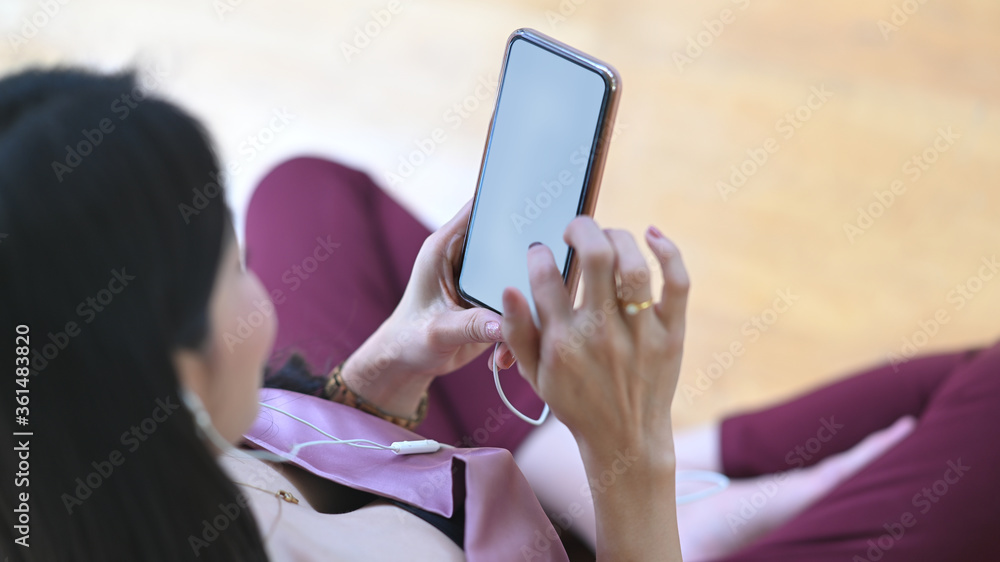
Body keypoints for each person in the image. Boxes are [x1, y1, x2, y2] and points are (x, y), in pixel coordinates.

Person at [0, 68, 686, 561]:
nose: (254, 286)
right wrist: (634, 458)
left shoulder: (66, 458)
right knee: (798, 501)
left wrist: (385, 372)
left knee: (300, 188)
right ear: (174, 375)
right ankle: (687, 493)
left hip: (419, 476)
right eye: (234, 270)